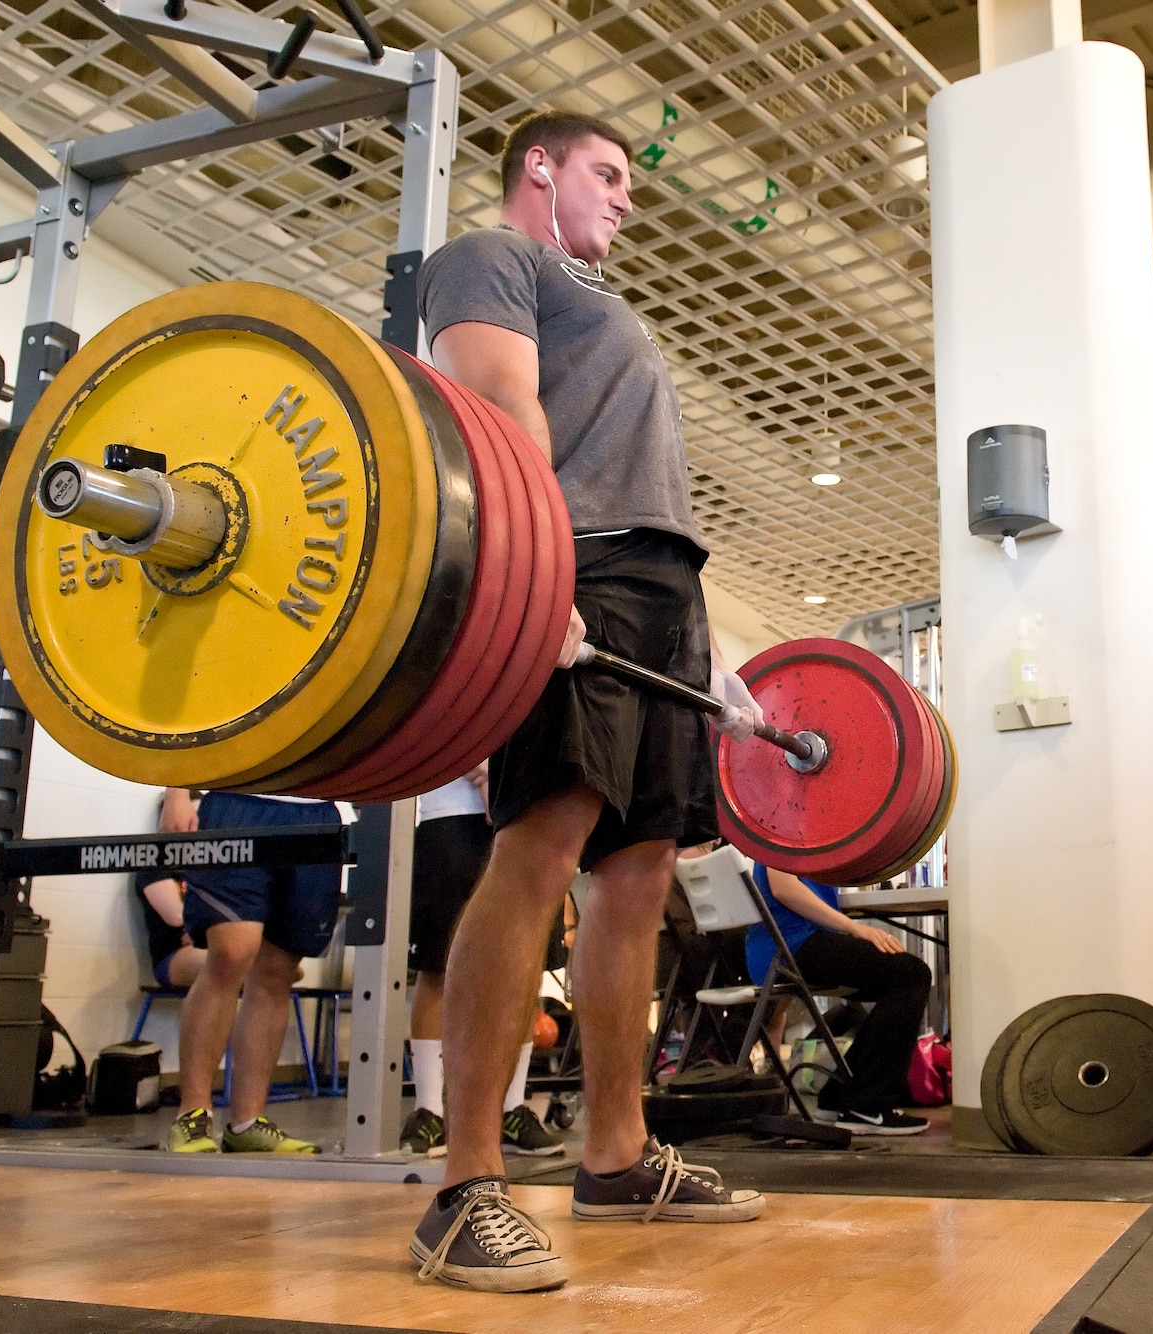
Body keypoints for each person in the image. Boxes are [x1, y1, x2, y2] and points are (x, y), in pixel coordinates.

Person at [408, 110, 768, 1293]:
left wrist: (705, 644)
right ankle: (465, 1185)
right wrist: (536, 567)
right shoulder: (488, 258)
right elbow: (502, 406)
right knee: (542, 844)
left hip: (660, 582)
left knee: (640, 870)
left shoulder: (594, 298)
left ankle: (615, 1154)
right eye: (607, 174)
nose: (624, 196)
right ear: (540, 169)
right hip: (576, 564)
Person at [157, 785, 344, 1155]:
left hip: (315, 810)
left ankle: (247, 1122)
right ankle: (192, 1114)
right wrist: (176, 792)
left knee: (278, 972)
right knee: (231, 954)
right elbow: (190, 724)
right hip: (237, 802)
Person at [397, 766, 560, 1159]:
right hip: (449, 813)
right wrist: (484, 773)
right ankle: (430, 1110)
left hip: (527, 808)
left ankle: (511, 1108)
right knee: (438, 967)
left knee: (523, 969)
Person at [748, 863, 932, 1134]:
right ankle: (867, 1104)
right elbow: (784, 889)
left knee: (898, 981)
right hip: (791, 945)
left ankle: (840, 1096)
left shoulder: (798, 831)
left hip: (784, 944)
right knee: (911, 975)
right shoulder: (786, 827)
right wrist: (855, 928)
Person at [136, 791, 205, 989]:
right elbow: (176, 916)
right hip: (173, 955)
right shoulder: (154, 864)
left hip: (206, 943)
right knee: (227, 956)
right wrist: (208, 928)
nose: (197, 824)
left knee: (271, 962)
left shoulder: (213, 864)